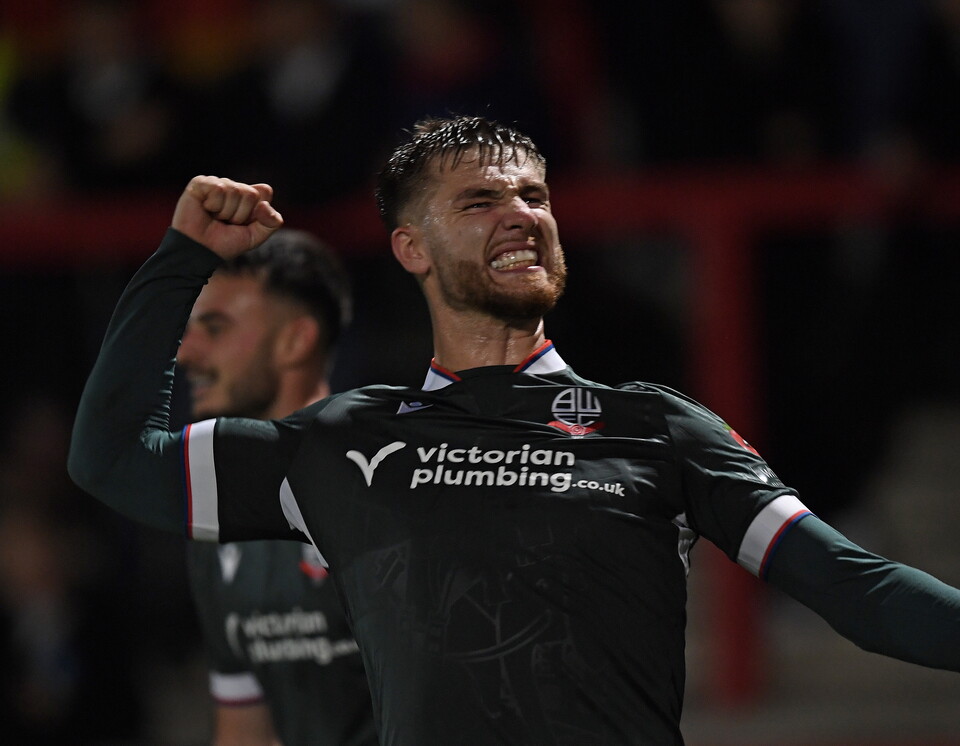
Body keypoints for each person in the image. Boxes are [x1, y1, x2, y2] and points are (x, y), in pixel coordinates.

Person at [68, 116, 960, 745]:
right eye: (481, 201)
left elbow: (862, 591)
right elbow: (111, 460)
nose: (522, 215)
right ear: (412, 248)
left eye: (534, 195)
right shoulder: (334, 445)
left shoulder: (659, 427)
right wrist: (182, 261)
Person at [175, 228, 377, 746]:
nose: (187, 354)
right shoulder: (215, 521)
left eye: (214, 328)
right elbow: (243, 727)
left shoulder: (386, 491)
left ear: (294, 340)